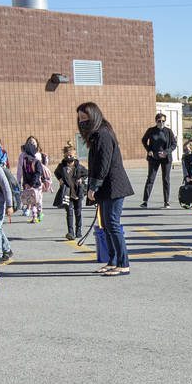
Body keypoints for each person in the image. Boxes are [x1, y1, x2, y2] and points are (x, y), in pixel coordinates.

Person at [77, 102, 134, 277]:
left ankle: (123, 264)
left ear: (94, 117)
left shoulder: (103, 134)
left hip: (113, 186)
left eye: (85, 118)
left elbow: (103, 163)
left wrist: (94, 186)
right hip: (105, 188)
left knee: (113, 224)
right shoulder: (97, 135)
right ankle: (113, 261)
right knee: (106, 225)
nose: (81, 122)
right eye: (79, 119)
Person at [140, 112, 177, 209]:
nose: (161, 123)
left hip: (165, 158)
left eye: (163, 121)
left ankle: (166, 201)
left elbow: (174, 144)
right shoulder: (151, 130)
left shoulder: (168, 131)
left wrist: (166, 152)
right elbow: (144, 140)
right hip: (154, 158)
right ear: (156, 121)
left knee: (166, 179)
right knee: (151, 178)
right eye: (159, 121)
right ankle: (145, 201)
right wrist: (149, 151)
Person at [54, 144, 89, 240]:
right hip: (67, 192)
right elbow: (56, 173)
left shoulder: (79, 167)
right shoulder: (61, 167)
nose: (69, 158)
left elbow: (86, 173)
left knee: (78, 212)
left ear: (75, 156)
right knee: (69, 212)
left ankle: (78, 230)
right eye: (66, 156)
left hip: (77, 192)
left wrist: (81, 179)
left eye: (71, 156)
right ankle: (70, 231)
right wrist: (60, 179)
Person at [18, 136, 49, 223]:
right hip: (29, 185)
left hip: (36, 184)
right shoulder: (25, 162)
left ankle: (39, 213)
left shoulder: (36, 162)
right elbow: (24, 173)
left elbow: (38, 173)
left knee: (38, 201)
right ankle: (34, 216)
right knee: (32, 201)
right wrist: (25, 184)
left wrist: (32, 183)